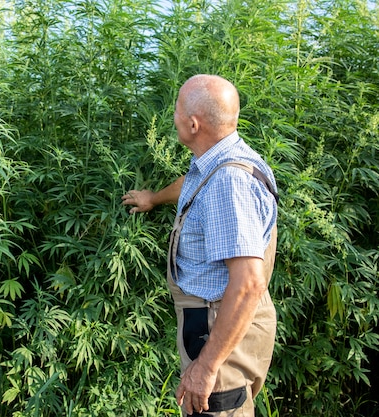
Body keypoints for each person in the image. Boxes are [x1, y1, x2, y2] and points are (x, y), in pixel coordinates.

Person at [121, 74, 278, 416]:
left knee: (215, 408)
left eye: (176, 109)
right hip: (216, 318)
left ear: (193, 124)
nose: (172, 115)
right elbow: (193, 182)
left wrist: (207, 367)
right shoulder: (222, 159)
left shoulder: (229, 184)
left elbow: (248, 283)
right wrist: (154, 198)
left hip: (218, 325)